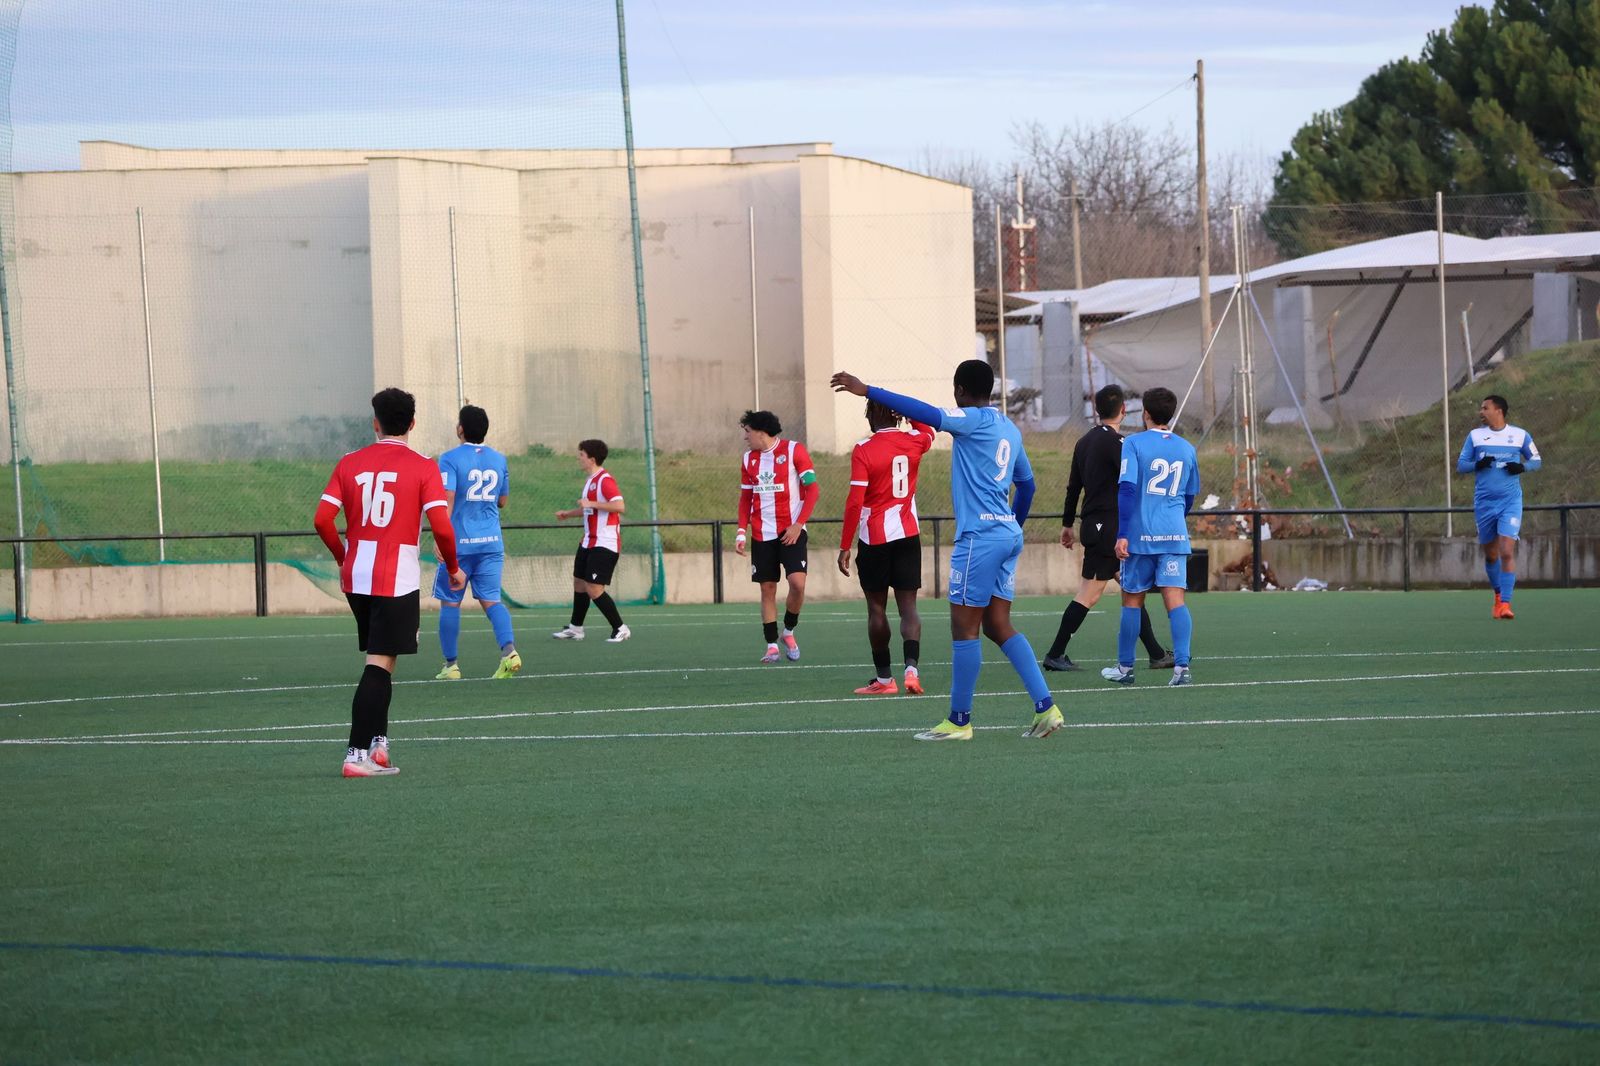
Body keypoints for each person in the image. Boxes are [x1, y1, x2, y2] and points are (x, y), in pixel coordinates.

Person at [830, 360, 1062, 741]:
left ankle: (959, 721)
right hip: (1005, 534)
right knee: (999, 625)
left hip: (980, 539)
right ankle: (1046, 708)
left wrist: (867, 389)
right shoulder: (1008, 426)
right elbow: (1028, 485)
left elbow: (926, 413)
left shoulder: (970, 419)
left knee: (964, 628)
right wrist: (1011, 527)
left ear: (960, 390)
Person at [314, 387, 465, 778]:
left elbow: (322, 520)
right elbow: (442, 528)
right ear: (412, 424)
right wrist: (452, 567)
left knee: (382, 659)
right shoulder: (422, 465)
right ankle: (356, 755)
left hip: (356, 575)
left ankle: (379, 746)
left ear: (375, 423)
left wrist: (341, 555)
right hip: (395, 577)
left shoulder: (350, 462)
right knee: (379, 665)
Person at [1044, 384, 1172, 672]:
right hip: (1108, 527)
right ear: (1124, 410)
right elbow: (1132, 482)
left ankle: (1155, 652)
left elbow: (1073, 488)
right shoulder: (1118, 444)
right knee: (1093, 593)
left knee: (1130, 588)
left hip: (1093, 525)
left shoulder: (1083, 442)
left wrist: (1067, 524)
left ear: (1097, 411)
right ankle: (1055, 654)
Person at [1100, 387, 1199, 688]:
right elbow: (1191, 494)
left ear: (1144, 413)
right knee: (1175, 602)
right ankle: (1182, 669)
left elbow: (1127, 489)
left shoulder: (1133, 443)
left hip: (1141, 536)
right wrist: (1175, 519)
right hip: (1174, 535)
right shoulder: (1186, 448)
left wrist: (1121, 534)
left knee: (1132, 600)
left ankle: (1125, 668)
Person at [838, 400, 935, 695]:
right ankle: (912, 672)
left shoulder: (864, 449)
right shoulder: (915, 441)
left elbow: (855, 501)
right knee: (909, 608)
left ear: (871, 416)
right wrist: (909, 414)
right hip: (908, 536)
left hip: (874, 539)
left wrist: (845, 545)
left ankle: (884, 681)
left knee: (876, 610)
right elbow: (928, 431)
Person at [431, 405, 521, 681]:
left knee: (450, 603)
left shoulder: (449, 459)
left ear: (460, 429)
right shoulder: (499, 459)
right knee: (492, 600)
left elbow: (446, 500)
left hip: (460, 544)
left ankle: (451, 666)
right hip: (491, 542)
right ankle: (509, 652)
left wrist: (439, 537)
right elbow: (503, 501)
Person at [734, 410, 819, 663]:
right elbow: (745, 499)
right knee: (767, 589)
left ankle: (789, 631)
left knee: (797, 584)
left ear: (761, 432)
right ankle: (771, 645)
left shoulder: (794, 451)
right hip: (762, 533)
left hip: (791, 531)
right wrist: (741, 531)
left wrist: (798, 524)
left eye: (747, 432)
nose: (745, 438)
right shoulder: (749, 459)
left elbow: (812, 490)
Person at [1456, 394, 1541, 619]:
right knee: (1491, 555)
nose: (1481, 412)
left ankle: (1505, 604)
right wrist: (1477, 464)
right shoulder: (1475, 436)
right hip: (1484, 503)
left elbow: (1536, 460)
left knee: (1506, 551)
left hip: (1510, 503)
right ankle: (1496, 597)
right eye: (1481, 408)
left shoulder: (1520, 435)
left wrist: (1522, 468)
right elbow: (1461, 465)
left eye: (1485, 408)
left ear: (1498, 411)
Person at [552, 439, 632, 642]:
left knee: (594, 588)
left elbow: (619, 506)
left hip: (604, 542)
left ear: (592, 459)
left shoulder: (605, 480)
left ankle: (620, 628)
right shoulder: (590, 481)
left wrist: (592, 503)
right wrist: (568, 514)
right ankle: (576, 628)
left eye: (581, 455)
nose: (579, 458)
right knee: (579, 583)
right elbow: (590, 508)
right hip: (588, 541)